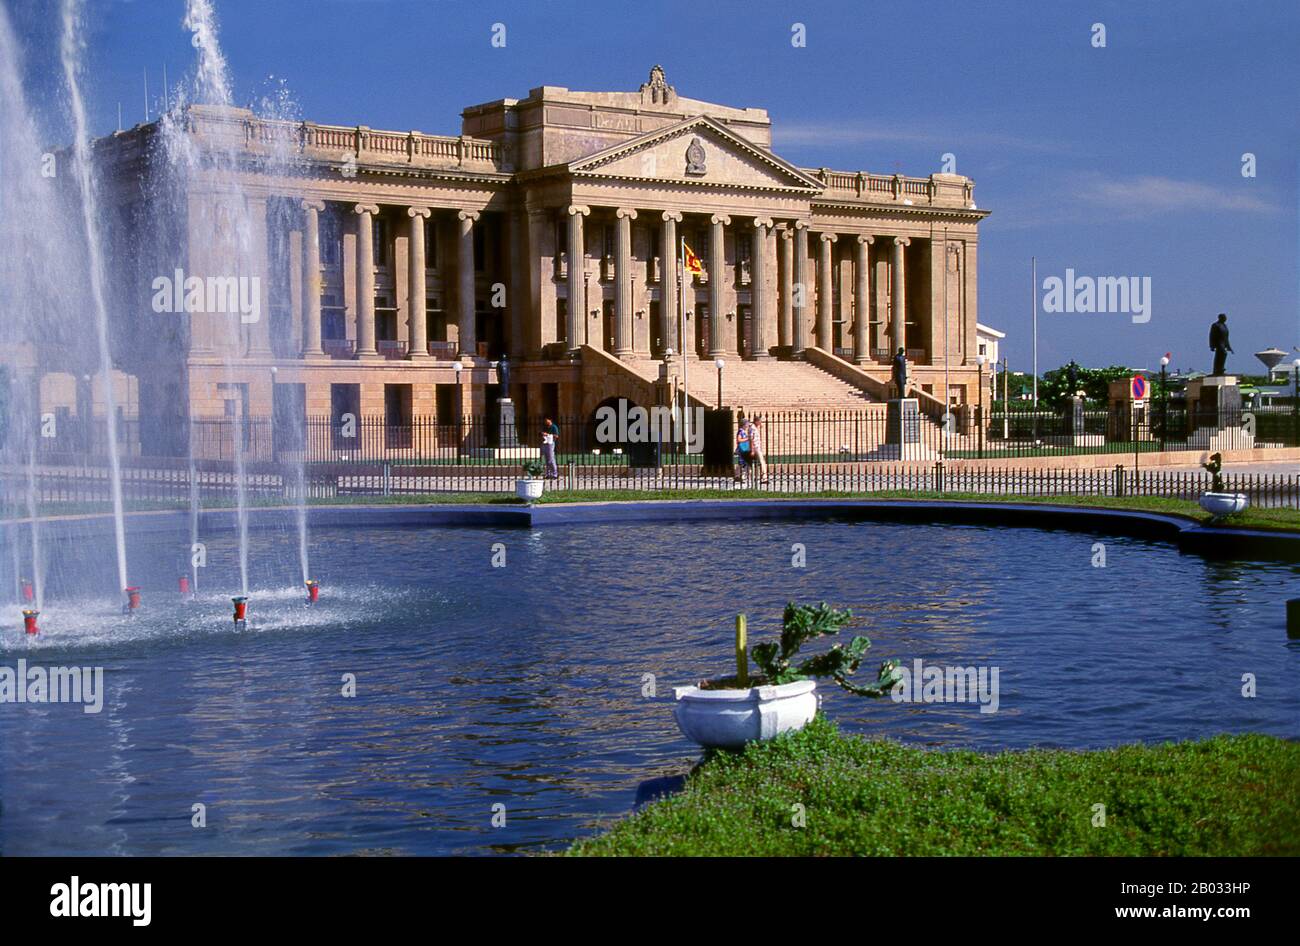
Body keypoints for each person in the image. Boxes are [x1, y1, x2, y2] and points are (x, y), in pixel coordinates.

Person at [748, 415, 768, 484]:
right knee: (762, 461)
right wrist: (752, 449)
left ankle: (754, 476)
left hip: (756, 447)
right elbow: (751, 439)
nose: (761, 422)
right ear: (756, 421)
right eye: (760, 421)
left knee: (754, 463)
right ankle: (764, 478)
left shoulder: (754, 428)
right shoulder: (752, 428)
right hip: (755, 448)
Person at [734, 415, 753, 484]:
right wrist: (747, 439)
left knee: (742, 463)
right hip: (742, 450)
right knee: (743, 463)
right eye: (747, 423)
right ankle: (742, 477)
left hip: (745, 449)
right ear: (744, 424)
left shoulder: (745, 431)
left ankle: (738, 476)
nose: (748, 424)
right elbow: (738, 440)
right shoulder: (740, 431)